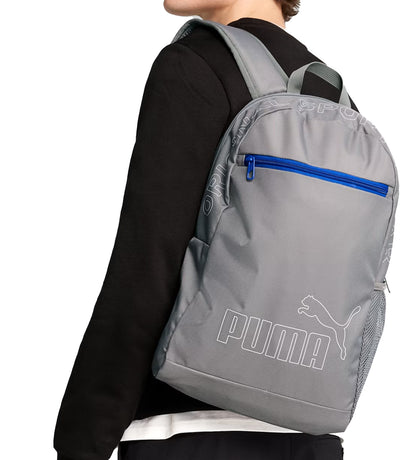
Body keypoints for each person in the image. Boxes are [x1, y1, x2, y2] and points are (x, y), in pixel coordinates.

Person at [53, 1, 359, 459]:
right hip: (309, 435)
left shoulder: (194, 65)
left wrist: (82, 439)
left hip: (184, 433)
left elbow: (147, 266)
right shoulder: (334, 96)